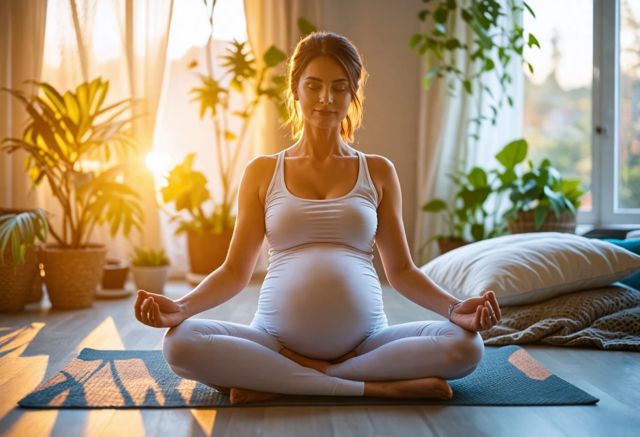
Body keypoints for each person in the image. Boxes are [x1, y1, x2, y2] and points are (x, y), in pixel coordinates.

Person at [134, 31, 501, 405]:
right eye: (314, 86)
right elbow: (234, 272)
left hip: (367, 342)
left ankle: (283, 381)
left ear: (352, 94)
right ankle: (375, 388)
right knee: (179, 344)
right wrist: (181, 308)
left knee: (466, 346)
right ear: (296, 90)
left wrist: (455, 310)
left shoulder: (377, 171)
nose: (326, 99)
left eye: (339, 88)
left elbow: (402, 271)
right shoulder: (262, 172)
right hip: (274, 341)